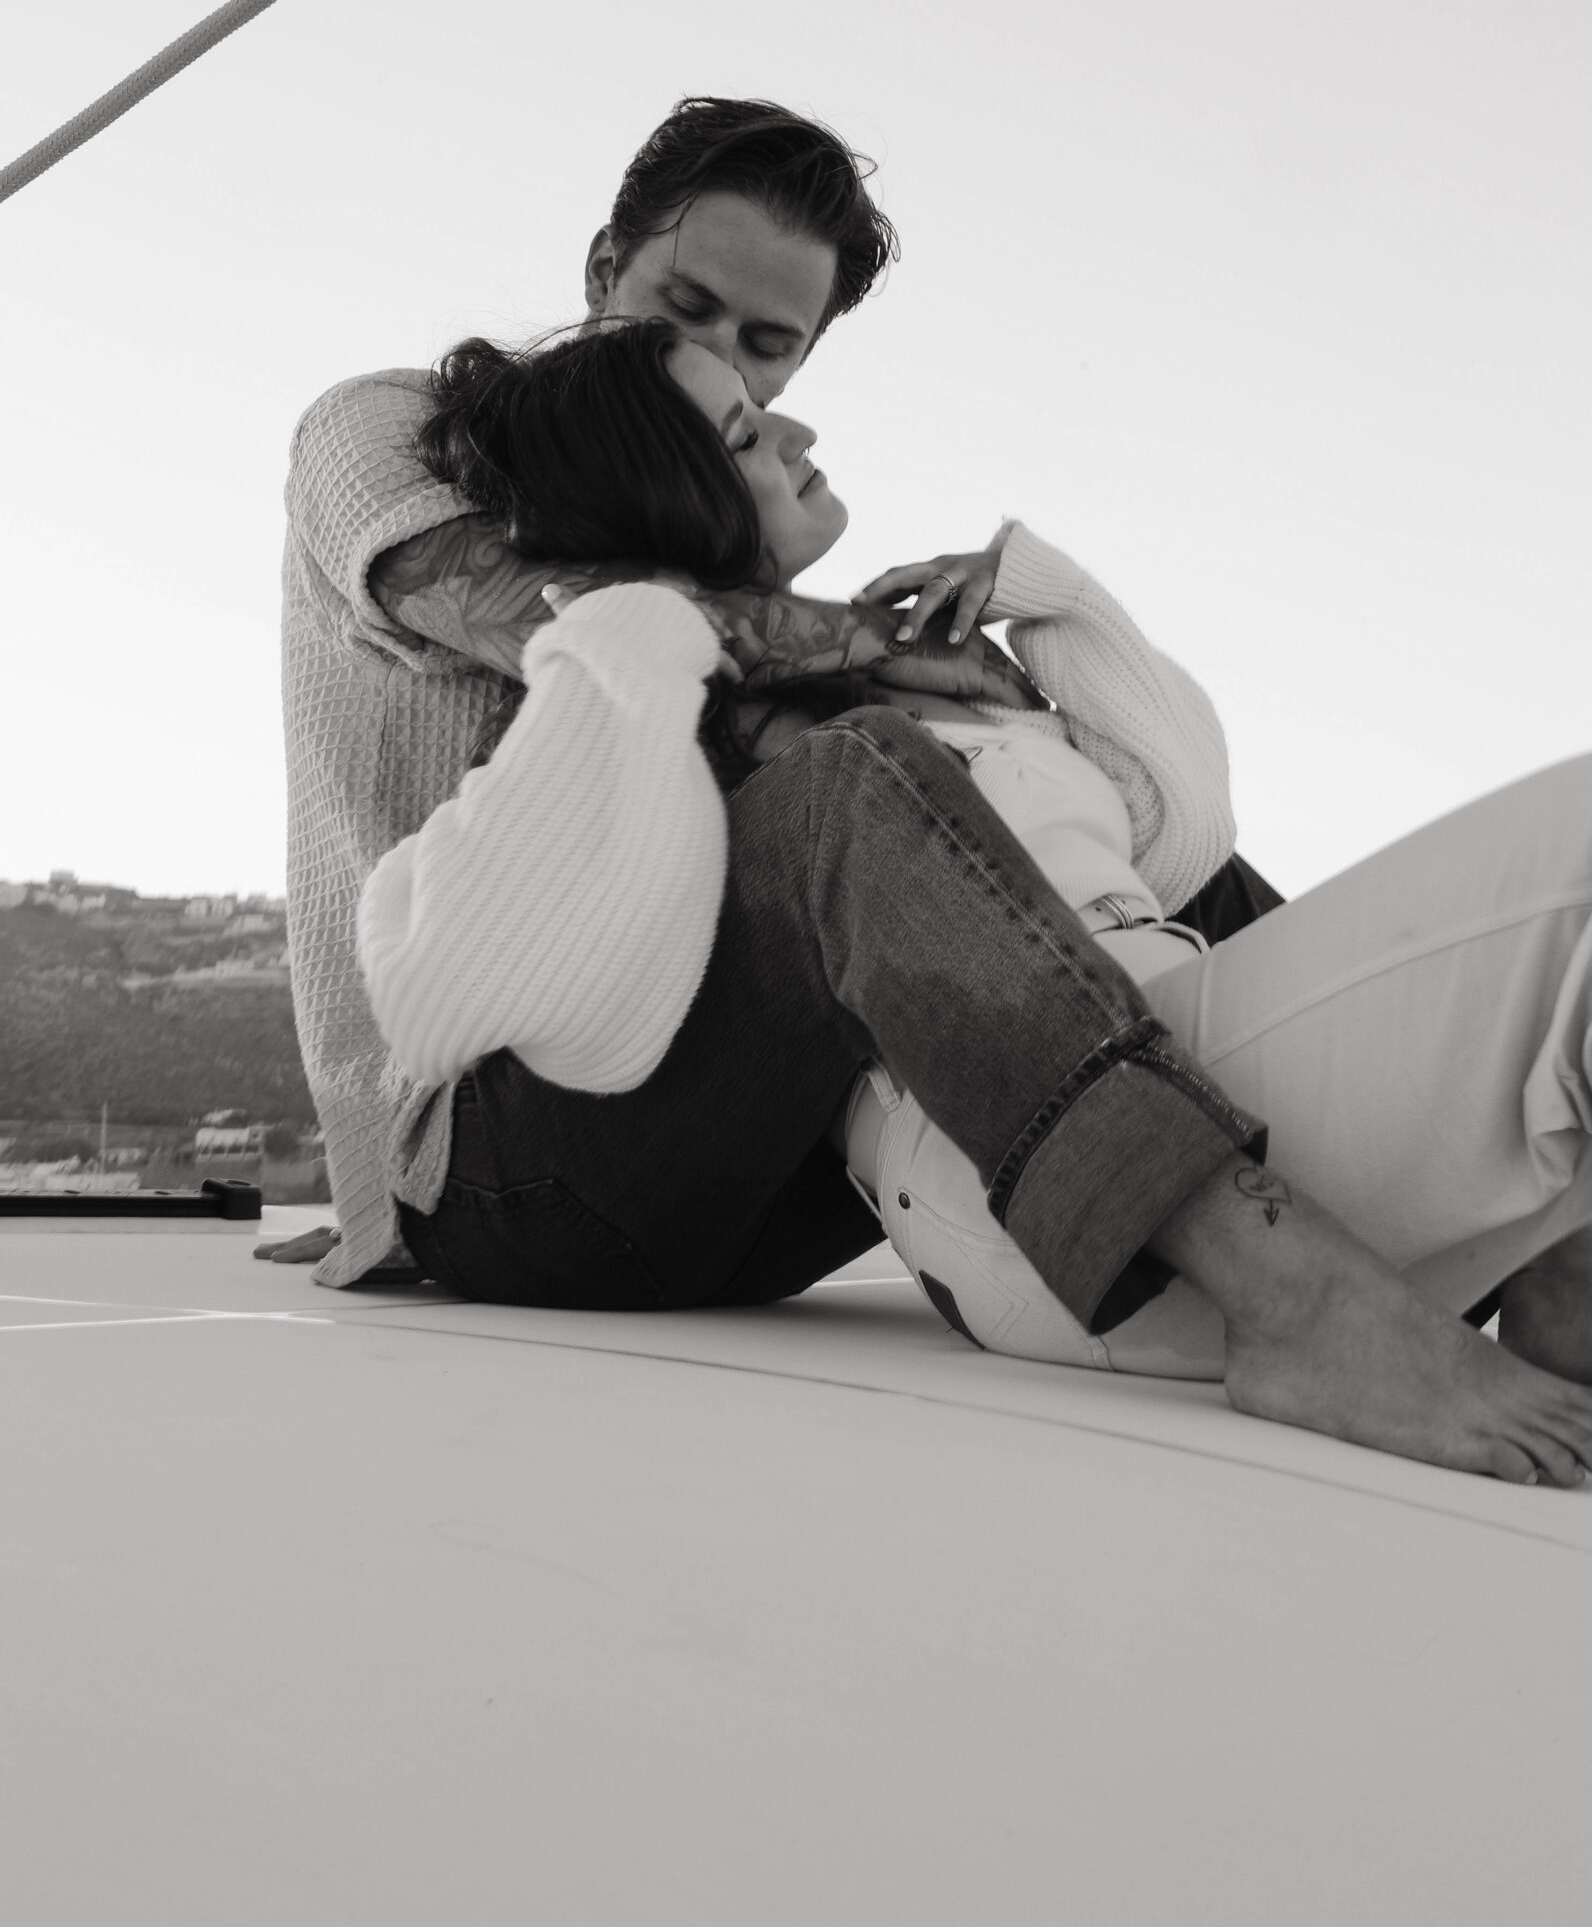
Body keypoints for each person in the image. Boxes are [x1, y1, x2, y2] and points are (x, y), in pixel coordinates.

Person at [354, 318, 1592, 1484]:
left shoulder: (891, 690)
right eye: (746, 431)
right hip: (1068, 1219)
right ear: (666, 496)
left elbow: (1181, 830)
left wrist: (1039, 611)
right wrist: (653, 636)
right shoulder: (642, 712)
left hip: (1183, 1066)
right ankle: (1301, 1306)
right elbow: (470, 988)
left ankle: (1568, 1277)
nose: (799, 426)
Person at [277, 95, 1275, 1282]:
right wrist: (867, 641)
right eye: (685, 307)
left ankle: (1482, 1240)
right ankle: (1278, 1282)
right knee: (856, 787)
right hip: (489, 1161)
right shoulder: (391, 425)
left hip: (755, 1159)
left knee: (1137, 861)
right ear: (605, 266)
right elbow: (554, 613)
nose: (718, 361)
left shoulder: (759, 584)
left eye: (767, 344)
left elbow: (1138, 837)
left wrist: (1016, 659)